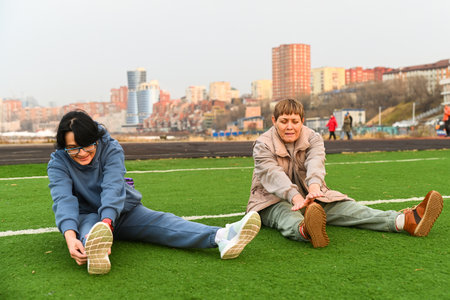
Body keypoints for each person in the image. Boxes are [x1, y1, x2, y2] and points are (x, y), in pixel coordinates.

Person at [48, 110, 261, 275]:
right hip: (87, 216)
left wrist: (107, 222)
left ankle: (223, 236)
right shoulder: (58, 162)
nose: (82, 153)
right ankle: (95, 251)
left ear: (96, 139)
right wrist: (69, 236)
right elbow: (63, 199)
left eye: (88, 146)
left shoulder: (111, 148)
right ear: (63, 146)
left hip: (122, 211)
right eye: (73, 148)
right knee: (87, 231)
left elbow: (113, 186)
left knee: (164, 222)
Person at [246, 98, 443, 248]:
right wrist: (295, 197)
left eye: (295, 121)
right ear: (274, 121)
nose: (290, 126)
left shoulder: (313, 137)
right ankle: (306, 230)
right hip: (271, 200)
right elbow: (272, 175)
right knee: (285, 214)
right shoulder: (263, 145)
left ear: (302, 121)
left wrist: (314, 189)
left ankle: (405, 221)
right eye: (284, 121)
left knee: (350, 209)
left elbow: (316, 162)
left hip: (309, 194)